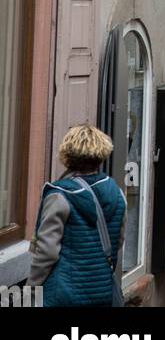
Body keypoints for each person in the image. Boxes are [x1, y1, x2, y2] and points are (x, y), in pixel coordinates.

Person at [29, 124, 126, 307]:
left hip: (62, 296)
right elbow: (118, 241)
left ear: (67, 156)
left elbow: (47, 252)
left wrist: (30, 290)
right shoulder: (118, 194)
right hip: (102, 293)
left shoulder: (59, 195)